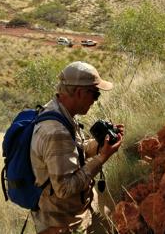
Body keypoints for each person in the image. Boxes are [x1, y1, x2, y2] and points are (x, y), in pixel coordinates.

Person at [30, 61, 124, 234]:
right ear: (80, 93)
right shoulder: (55, 132)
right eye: (95, 95)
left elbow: (74, 150)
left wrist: (102, 144)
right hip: (63, 225)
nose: (95, 100)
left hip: (76, 215)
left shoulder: (59, 111)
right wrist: (102, 158)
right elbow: (64, 188)